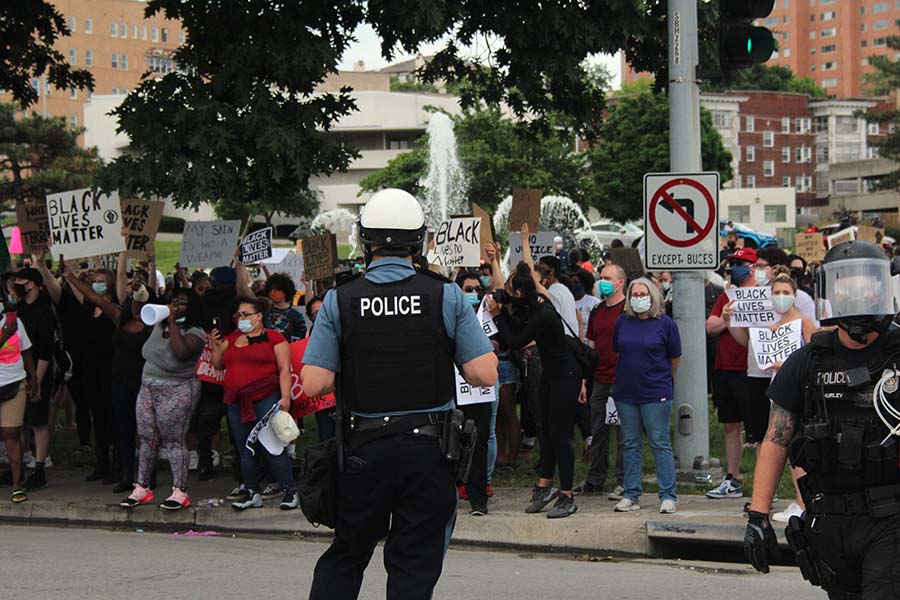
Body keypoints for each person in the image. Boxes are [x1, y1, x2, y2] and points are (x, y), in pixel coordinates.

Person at [302, 189, 497, 600]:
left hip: (361, 453)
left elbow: (315, 384)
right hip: (429, 452)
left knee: (347, 555)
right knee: (414, 565)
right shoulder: (445, 294)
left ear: (364, 239)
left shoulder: (340, 298)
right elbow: (484, 374)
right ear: (421, 240)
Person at [745, 241, 900, 598]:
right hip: (830, 523)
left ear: (881, 286)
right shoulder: (808, 362)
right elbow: (776, 439)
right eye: (847, 282)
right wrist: (758, 516)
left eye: (867, 281)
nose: (857, 291)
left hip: (889, 517)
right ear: (832, 289)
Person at [486, 261, 586, 519]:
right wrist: (506, 312)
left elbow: (517, 340)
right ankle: (544, 485)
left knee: (560, 435)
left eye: (509, 292)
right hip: (550, 376)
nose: (505, 295)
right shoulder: (533, 306)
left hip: (566, 376)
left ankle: (567, 495)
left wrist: (498, 316)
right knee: (546, 431)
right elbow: (519, 328)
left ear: (519, 294)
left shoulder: (543, 313)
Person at [57, 257, 152, 493]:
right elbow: (92, 296)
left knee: (131, 425)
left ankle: (131, 470)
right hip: (108, 375)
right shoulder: (118, 315)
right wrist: (69, 277)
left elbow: (119, 278)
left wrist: (122, 252)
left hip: (135, 378)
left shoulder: (150, 322)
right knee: (110, 419)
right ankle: (115, 468)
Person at [120, 289, 205, 511]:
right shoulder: (159, 325)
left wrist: (172, 322)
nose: (176, 305)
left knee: (174, 440)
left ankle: (180, 491)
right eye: (174, 300)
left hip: (177, 389)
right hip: (148, 387)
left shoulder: (197, 333)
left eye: (183, 302)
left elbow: (180, 352)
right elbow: (138, 312)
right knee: (147, 437)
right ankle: (142, 487)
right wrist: (138, 291)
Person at [210, 296, 297, 510]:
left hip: (266, 397)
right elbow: (218, 365)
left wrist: (285, 397)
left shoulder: (274, 338)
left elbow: (285, 368)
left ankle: (289, 491)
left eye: (245, 314)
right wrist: (218, 347)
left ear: (259, 316)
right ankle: (252, 491)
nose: (241, 318)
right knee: (244, 448)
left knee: (272, 445)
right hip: (237, 400)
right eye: (238, 315)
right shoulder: (232, 338)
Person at [610, 278, 681, 514]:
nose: (639, 298)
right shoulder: (622, 322)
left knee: (659, 442)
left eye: (643, 294)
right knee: (630, 443)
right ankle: (631, 493)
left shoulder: (666, 324)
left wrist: (661, 380)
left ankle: (668, 495)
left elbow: (675, 358)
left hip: (655, 393)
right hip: (625, 393)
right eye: (635, 294)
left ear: (653, 297)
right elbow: (618, 351)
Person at [705, 247, 760, 500]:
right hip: (724, 366)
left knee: (757, 429)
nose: (734, 267)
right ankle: (733, 476)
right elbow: (711, 325)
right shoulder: (727, 295)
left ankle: (762, 482)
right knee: (730, 424)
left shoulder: (762, 294)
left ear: (752, 266)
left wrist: (730, 321)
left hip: (751, 369)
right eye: (732, 263)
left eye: (740, 263)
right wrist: (729, 319)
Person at [575, 264, 627, 499]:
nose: (602, 281)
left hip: (623, 381)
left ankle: (625, 481)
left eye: (607, 278)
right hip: (600, 379)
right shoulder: (597, 310)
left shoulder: (628, 310)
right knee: (598, 432)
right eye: (601, 277)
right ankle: (595, 479)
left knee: (624, 435)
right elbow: (592, 346)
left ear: (620, 283)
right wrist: (586, 379)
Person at [10, 267, 58, 491]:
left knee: (38, 422)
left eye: (21, 280)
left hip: (37, 372)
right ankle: (19, 464)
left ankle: (39, 468)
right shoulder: (18, 310)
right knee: (19, 423)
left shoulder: (45, 311)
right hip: (17, 373)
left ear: (31, 284)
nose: (16, 283)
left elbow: (45, 351)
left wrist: (35, 381)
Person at [0, 305, 37, 503]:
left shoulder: (14, 322)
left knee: (12, 432)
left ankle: (17, 484)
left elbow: (26, 350)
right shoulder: (7, 328)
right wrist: (4, 335)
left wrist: (33, 377)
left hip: (14, 383)